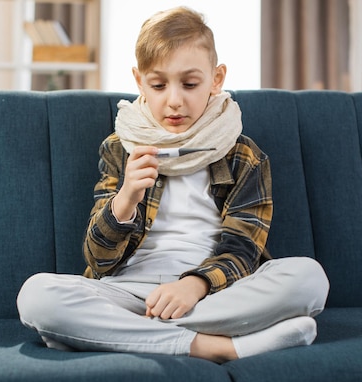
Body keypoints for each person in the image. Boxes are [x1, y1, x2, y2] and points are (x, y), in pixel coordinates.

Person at [17, 6, 329, 363]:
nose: (174, 100)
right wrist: (126, 198)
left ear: (216, 78)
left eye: (190, 83)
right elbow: (98, 261)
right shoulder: (120, 148)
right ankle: (215, 346)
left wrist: (193, 286)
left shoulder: (243, 155)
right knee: (37, 296)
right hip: (128, 292)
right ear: (139, 81)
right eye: (158, 84)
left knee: (309, 278)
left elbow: (244, 250)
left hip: (214, 291)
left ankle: (120, 333)